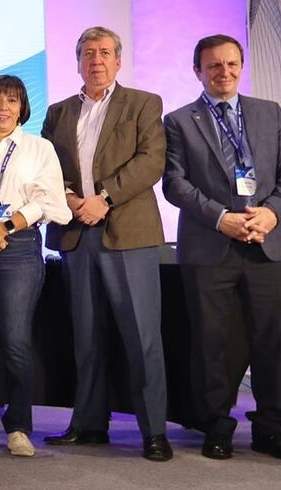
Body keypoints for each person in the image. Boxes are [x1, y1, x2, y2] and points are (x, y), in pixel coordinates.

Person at [162, 34, 281, 462]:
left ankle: (271, 427)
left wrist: (271, 214)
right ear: (197, 71)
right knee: (211, 342)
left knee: (270, 340)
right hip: (209, 246)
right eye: (213, 66)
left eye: (231, 64)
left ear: (241, 66)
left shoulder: (269, 113)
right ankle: (216, 425)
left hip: (265, 242)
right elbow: (175, 182)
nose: (223, 73)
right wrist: (220, 218)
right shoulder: (179, 120)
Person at [41, 26, 172, 462]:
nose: (96, 60)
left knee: (142, 337)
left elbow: (151, 160)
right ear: (77, 61)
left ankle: (154, 431)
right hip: (77, 234)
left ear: (118, 60)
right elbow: (47, 167)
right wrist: (73, 199)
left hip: (127, 234)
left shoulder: (143, 103)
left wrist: (106, 198)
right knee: (86, 336)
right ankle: (90, 424)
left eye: (104, 53)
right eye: (88, 54)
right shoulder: (58, 111)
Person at [0, 75, 71, 457]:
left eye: (11, 100)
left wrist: (4, 226)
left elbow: (53, 203)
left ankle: (20, 426)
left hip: (20, 248)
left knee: (15, 342)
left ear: (23, 107)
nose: (2, 107)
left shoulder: (39, 149)